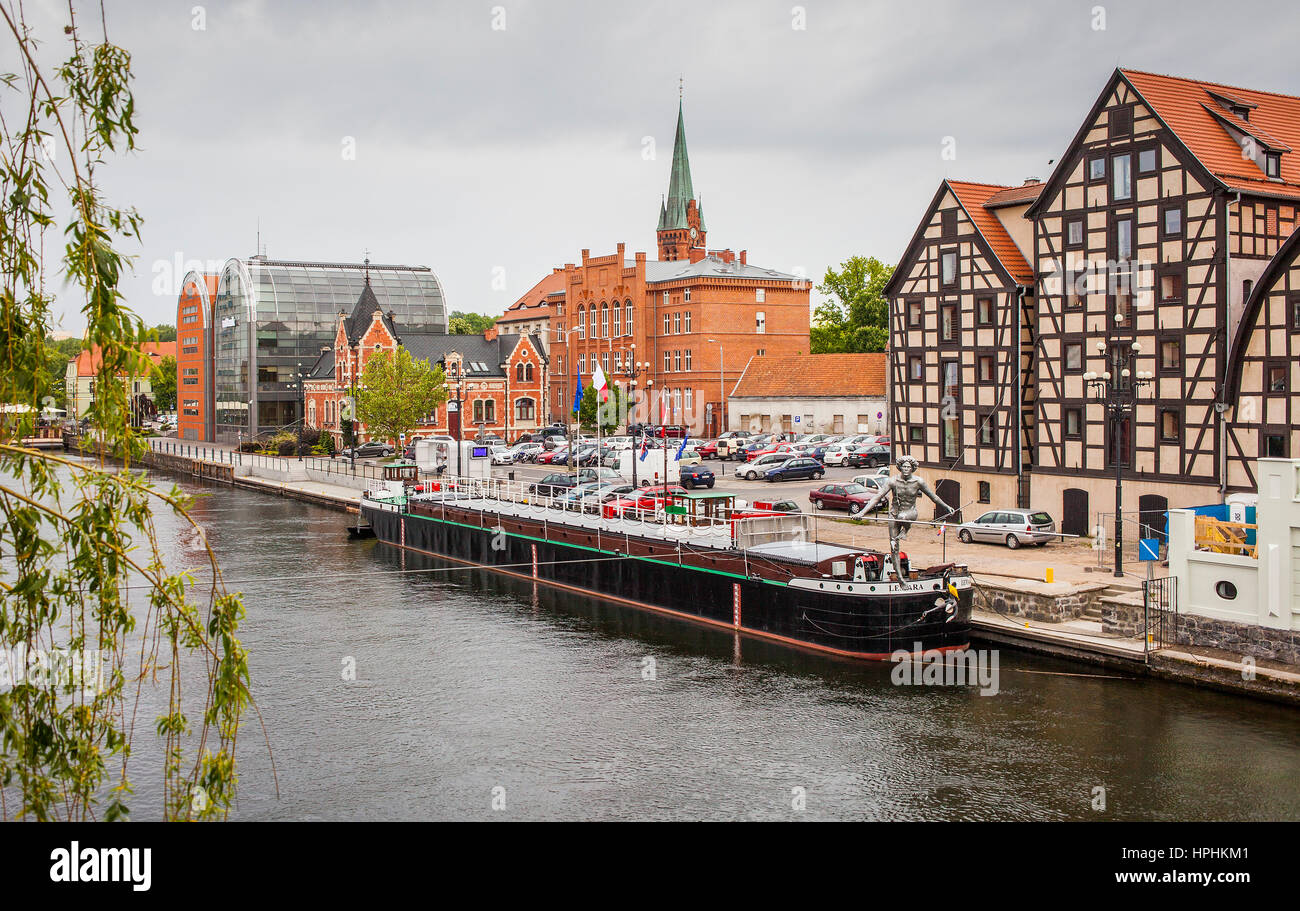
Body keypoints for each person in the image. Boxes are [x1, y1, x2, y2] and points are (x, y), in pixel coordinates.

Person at [860, 454, 954, 577]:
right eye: (903, 466)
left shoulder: (918, 481)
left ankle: (905, 531)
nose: (905, 469)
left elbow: (933, 497)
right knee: (893, 546)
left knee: (903, 517)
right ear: (900, 467)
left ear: (912, 468)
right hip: (894, 513)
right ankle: (899, 576)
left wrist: (946, 506)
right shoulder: (892, 481)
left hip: (910, 512)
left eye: (908, 467)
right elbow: (877, 497)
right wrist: (862, 512)